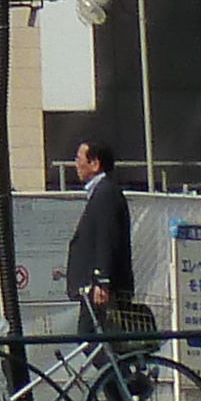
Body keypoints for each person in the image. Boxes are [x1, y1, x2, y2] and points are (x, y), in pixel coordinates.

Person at [64, 132, 134, 342]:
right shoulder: (103, 192)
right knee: (99, 341)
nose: (76, 164)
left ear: (95, 164)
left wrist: (102, 279)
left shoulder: (105, 193)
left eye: (79, 159)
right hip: (95, 285)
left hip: (99, 288)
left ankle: (119, 375)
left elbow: (107, 237)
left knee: (90, 339)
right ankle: (119, 375)